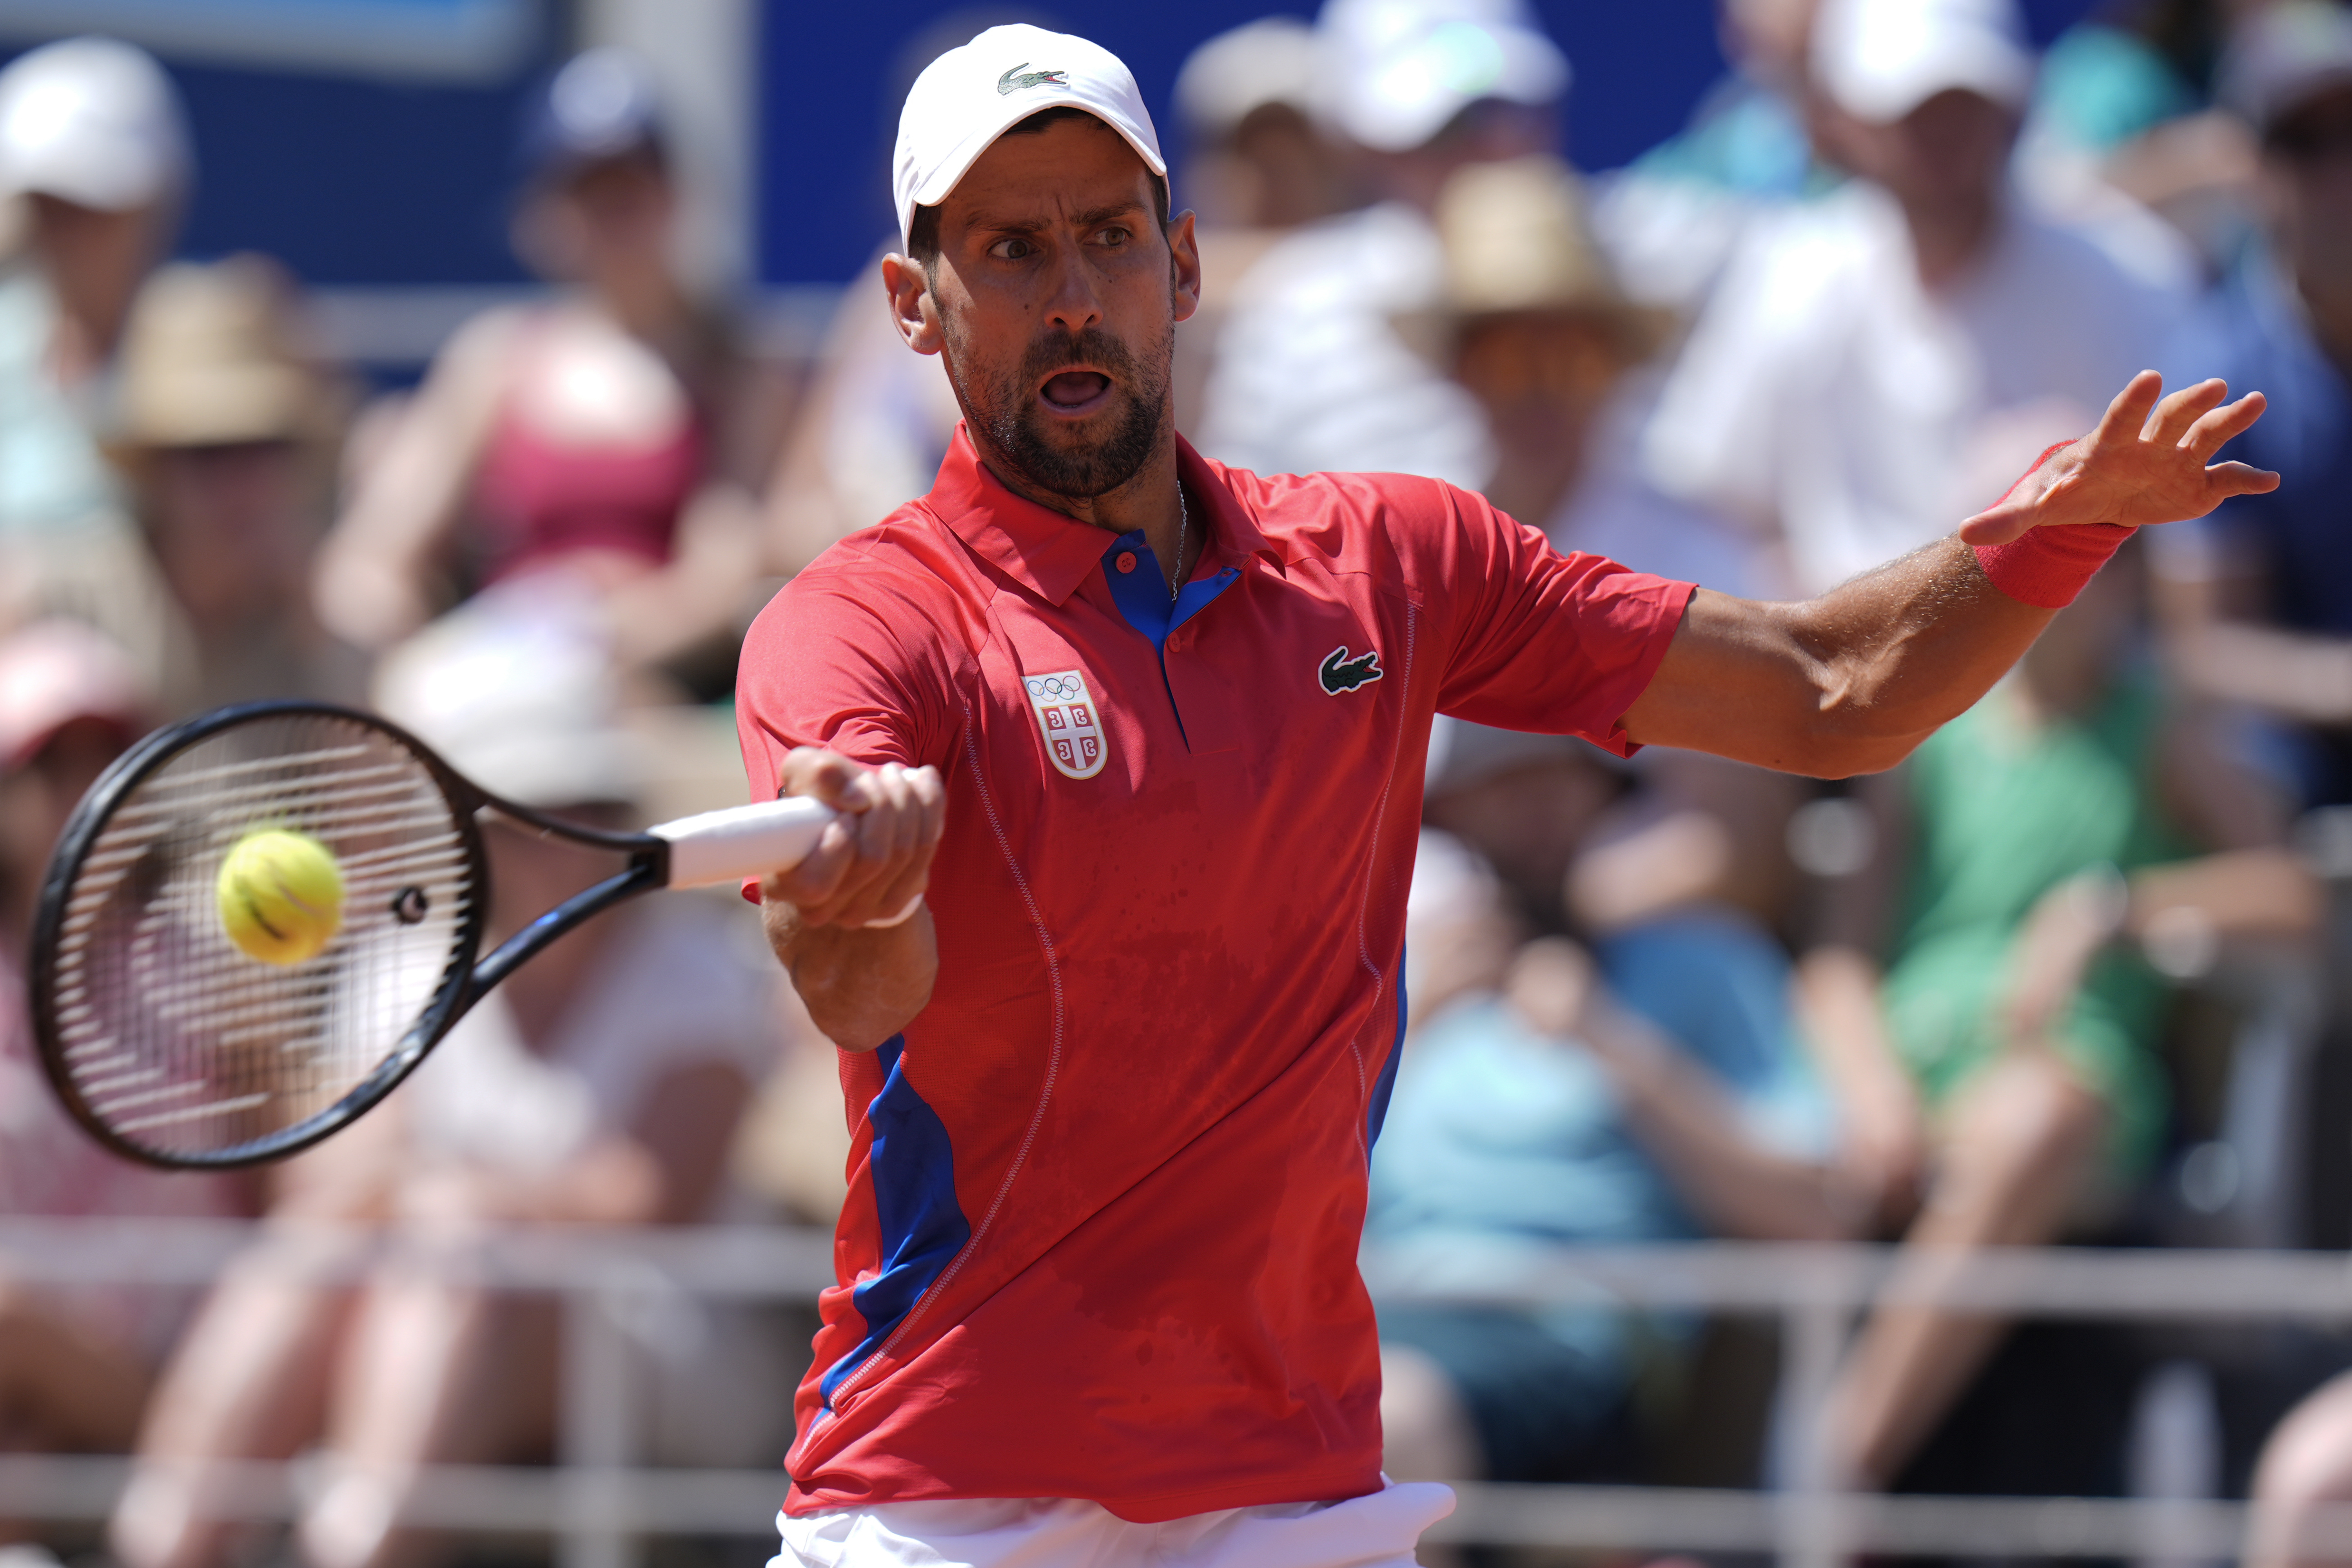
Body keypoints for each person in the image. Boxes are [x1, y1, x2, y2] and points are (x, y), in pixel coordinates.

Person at [730, 16, 2273, 1565]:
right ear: (911, 305)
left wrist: (2055, 537)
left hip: (1295, 1494)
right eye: (1006, 249)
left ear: (1182, 265)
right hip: (948, 1507)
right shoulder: (860, 625)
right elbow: (867, 987)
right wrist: (854, 897)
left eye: (1107, 238)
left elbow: (1832, 693)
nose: (1071, 295)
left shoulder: (1395, 559)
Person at [109, 617, 784, 1568]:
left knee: (451, 1249)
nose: (575, 829)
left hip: (677, 1350)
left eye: (592, 796)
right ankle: (165, 1552)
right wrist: (440, 1201)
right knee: (337, 1250)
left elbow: (645, 1199)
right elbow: (331, 1187)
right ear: (483, 833)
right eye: (542, 805)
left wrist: (451, 1197)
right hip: (446, 1291)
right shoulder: (407, 964)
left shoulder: (699, 971)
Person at [1798, 542, 2321, 1490]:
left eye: (2100, 557)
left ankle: (1836, 1477)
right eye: (2042, 549)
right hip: (1909, 1077)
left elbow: (2294, 895)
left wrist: (2120, 907)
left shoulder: (2156, 730)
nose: (2070, 582)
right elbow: (1837, 963)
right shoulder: (1926, 736)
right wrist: (1871, 1091)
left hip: (2060, 1079)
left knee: (2039, 1120)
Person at [1643, 0, 2186, 598]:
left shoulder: (2130, 272)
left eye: (1963, 101)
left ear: (2013, 107)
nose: (1940, 133)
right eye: (1906, 109)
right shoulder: (1790, 276)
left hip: (2068, 661)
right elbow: (1711, 502)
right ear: (1839, 121)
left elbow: (2188, 536)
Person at [312, 46, 767, 692]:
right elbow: (373, 556)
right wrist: (418, 658)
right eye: (589, 191)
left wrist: (584, 647)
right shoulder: (494, 362)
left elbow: (720, 581)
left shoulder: (736, 371)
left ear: (673, 195)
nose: (614, 214)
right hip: (505, 691)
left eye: (631, 186)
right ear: (547, 213)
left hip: (664, 701)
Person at [0, 622, 245, 1523]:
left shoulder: (217, 970)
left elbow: (302, 1171)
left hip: (183, 1382)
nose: (84, 792)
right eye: (53, 764)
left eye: (111, 761)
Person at [1194, 0, 1568, 488]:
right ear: (1362, 146)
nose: (1494, 146)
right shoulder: (1294, 311)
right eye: (1447, 128)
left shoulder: (1655, 262)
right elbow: (1237, 533)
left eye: (1510, 112)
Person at [2151, 1, 2352, 809]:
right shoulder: (2212, 378)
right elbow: (2201, 643)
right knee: (2221, 749)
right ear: (2250, 170)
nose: (2342, 178)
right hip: (2300, 752)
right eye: (2306, 144)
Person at [0, 38, 192, 693]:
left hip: (165, 685)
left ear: (158, 205)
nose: (66, 232)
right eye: (47, 208)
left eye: (92, 207)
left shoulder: (213, 343)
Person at [111, 254, 363, 714]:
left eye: (262, 446)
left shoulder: (325, 634)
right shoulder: (54, 602)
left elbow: (371, 775)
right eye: (207, 453)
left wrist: (316, 634)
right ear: (154, 470)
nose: (236, 485)